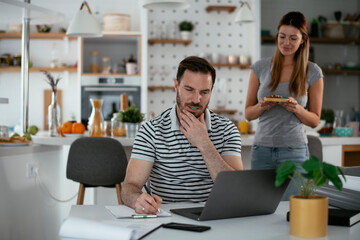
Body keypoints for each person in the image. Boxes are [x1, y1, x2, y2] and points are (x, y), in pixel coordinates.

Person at [122, 56, 243, 214]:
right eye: (189, 90)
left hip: (214, 215)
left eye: (204, 92)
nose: (196, 99)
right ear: (176, 85)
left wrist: (204, 143)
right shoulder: (150, 130)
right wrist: (137, 200)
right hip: (165, 216)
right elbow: (129, 187)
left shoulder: (227, 130)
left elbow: (236, 190)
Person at [245, 11, 324, 200]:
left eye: (293, 38)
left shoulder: (313, 72)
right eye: (282, 37)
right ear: (277, 36)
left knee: (292, 210)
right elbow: (248, 113)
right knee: (260, 208)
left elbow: (314, 120)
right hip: (261, 150)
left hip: (294, 152)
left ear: (303, 40)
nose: (286, 43)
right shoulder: (260, 68)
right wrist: (262, 106)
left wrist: (297, 109)